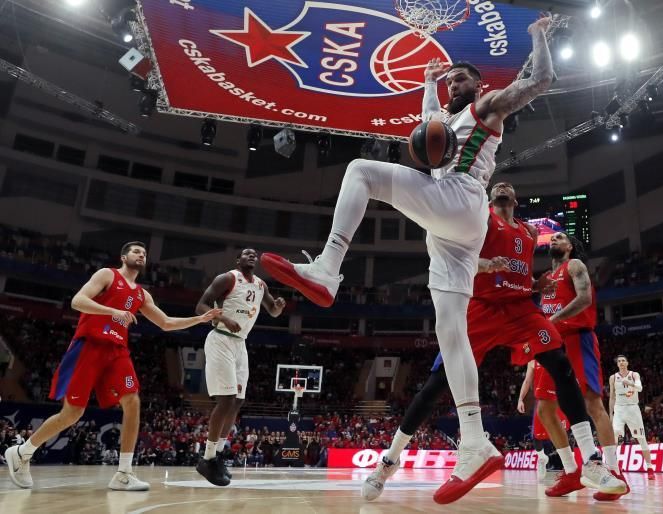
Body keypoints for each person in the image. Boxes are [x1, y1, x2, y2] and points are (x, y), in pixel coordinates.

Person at [262, 14, 562, 504]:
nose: (453, 84)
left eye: (459, 78)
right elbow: (430, 125)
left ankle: (328, 267)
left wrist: (538, 36)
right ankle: (474, 440)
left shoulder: (486, 106)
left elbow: (541, 80)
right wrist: (427, 84)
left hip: (463, 199)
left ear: (478, 83)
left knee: (361, 171)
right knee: (451, 330)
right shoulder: (445, 119)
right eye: (450, 81)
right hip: (456, 231)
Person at [360, 183, 625, 502]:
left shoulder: (528, 232)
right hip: (480, 309)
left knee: (560, 363)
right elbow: (450, 247)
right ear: (489, 198)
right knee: (436, 384)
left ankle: (592, 463)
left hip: (520, 310)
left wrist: (535, 283)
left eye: (507, 187)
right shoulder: (477, 219)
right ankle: (388, 462)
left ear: (515, 200)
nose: (501, 187)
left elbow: (525, 273)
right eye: (495, 185)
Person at [4, 242, 220, 491]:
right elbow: (78, 301)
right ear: (123, 256)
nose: (141, 255)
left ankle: (123, 472)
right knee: (72, 414)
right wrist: (113, 312)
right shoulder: (107, 274)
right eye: (136, 251)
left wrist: (200, 319)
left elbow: (166, 323)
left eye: (144, 253)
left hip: (117, 351)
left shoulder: (141, 294)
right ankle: (22, 452)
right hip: (90, 346)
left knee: (133, 400)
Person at [534, 232, 632, 500]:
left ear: (570, 246)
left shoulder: (575, 266)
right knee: (545, 409)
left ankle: (613, 471)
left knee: (592, 402)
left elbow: (585, 300)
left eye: (560, 237)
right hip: (551, 344)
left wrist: (551, 320)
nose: (554, 240)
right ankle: (571, 472)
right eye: (552, 239)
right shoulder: (544, 279)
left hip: (578, 338)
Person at [194, 249, 286, 486]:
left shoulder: (261, 285)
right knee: (226, 399)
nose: (251, 256)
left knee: (237, 401)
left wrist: (278, 306)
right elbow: (200, 306)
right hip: (221, 337)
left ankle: (218, 455)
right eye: (246, 253)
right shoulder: (227, 278)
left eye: (254, 254)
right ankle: (207, 459)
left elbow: (273, 312)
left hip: (240, 344)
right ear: (238, 260)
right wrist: (223, 318)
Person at [518, 360, 570, 483]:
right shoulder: (531, 362)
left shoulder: (557, 356)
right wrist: (520, 399)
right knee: (537, 435)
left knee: (562, 432)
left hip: (558, 399)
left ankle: (569, 467)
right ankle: (541, 458)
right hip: (541, 400)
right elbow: (527, 381)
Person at [609, 355, 656, 480]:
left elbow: (639, 388)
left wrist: (630, 383)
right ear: (617, 364)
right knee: (616, 435)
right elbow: (612, 397)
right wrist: (610, 414)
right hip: (619, 409)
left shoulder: (634, 375)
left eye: (623, 360)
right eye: (619, 361)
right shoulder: (613, 377)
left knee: (641, 439)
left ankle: (650, 468)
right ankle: (615, 466)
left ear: (627, 363)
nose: (621, 362)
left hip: (633, 409)